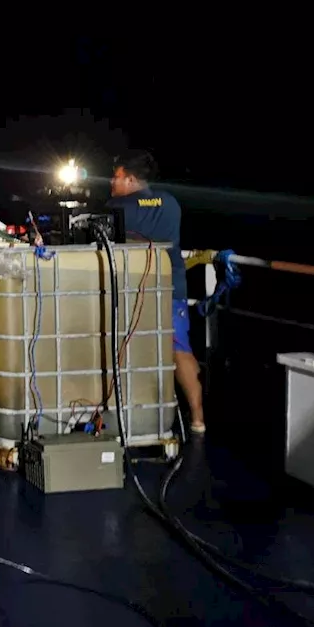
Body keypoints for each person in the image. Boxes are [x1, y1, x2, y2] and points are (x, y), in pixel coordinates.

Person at [107, 149, 204, 434]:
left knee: (122, 344)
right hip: (172, 285)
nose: (112, 181)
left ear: (131, 178)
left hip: (135, 289)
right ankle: (198, 418)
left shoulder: (118, 207)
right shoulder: (171, 202)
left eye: (117, 176)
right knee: (179, 347)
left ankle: (122, 412)